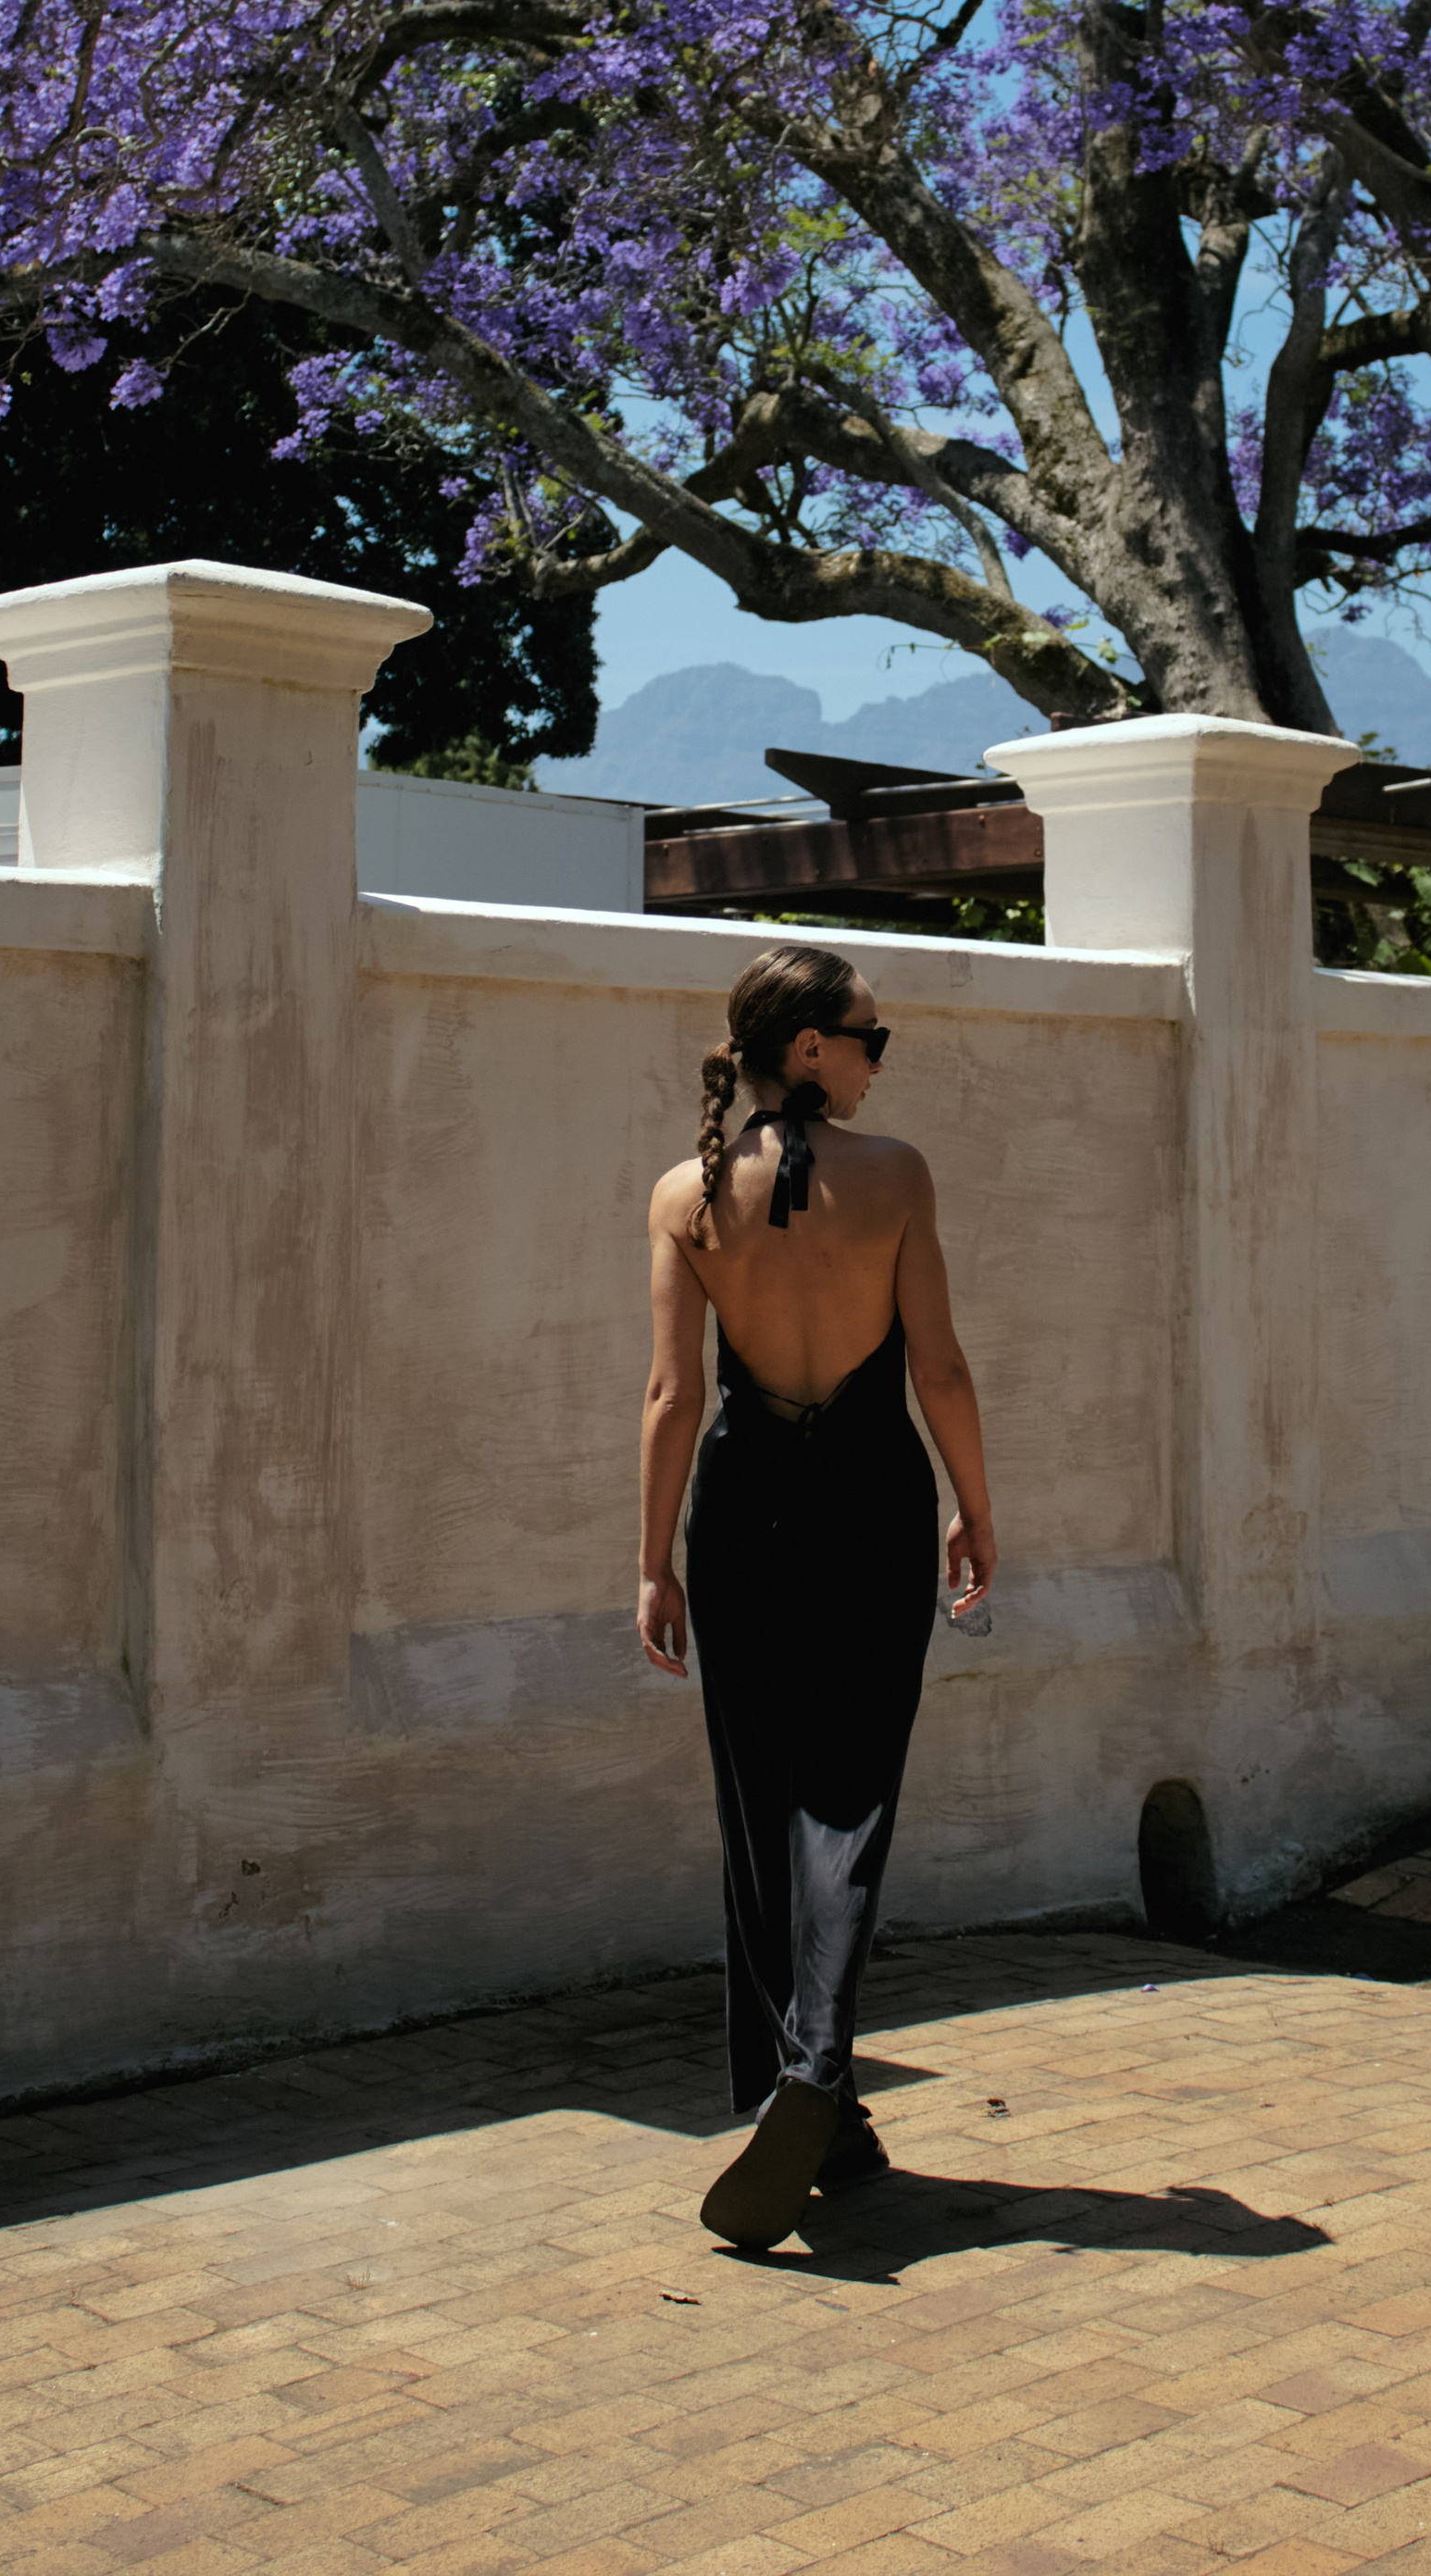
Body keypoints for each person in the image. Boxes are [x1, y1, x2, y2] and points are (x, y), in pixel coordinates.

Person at [639, 942, 999, 2253]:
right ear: (807, 1050)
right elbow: (940, 1366)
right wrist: (975, 1503)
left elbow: (676, 1394)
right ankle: (816, 2073)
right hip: (867, 1501)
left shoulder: (686, 1192)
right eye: (867, 1034)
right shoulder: (895, 1174)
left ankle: (821, 2106)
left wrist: (650, 1561)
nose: (876, 1053)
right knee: (849, 1794)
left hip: (737, 1514)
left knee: (759, 1802)